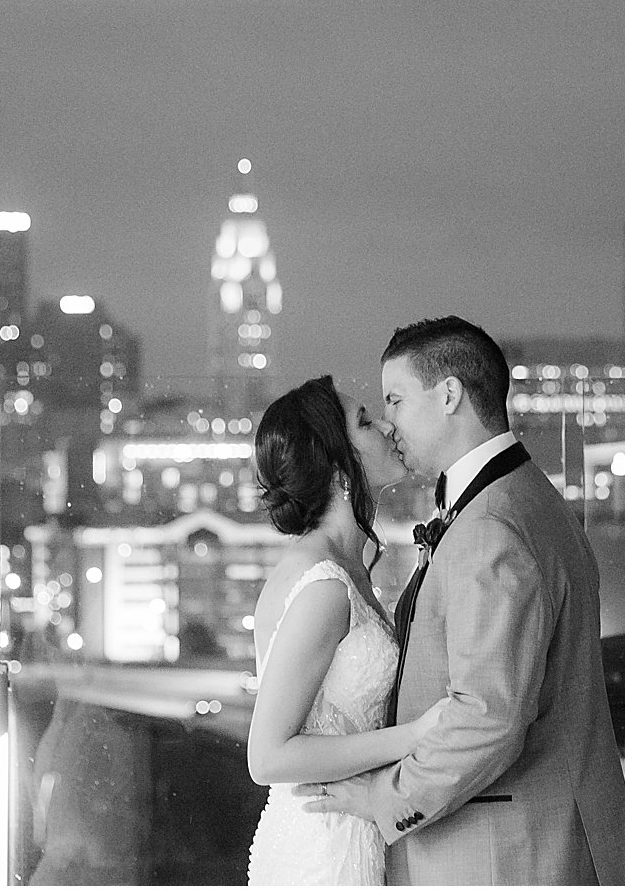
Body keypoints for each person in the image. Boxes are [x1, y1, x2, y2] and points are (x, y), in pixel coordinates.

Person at [295, 316, 625, 885]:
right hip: (528, 841)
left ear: (450, 395)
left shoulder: (491, 528)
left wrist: (386, 797)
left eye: (396, 399)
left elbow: (487, 715)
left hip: (506, 857)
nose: (389, 423)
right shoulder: (522, 499)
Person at [246, 375, 450, 885]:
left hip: (352, 831)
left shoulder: (345, 567)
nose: (385, 424)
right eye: (364, 421)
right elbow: (267, 756)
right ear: (339, 465)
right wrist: (413, 737)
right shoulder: (324, 586)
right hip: (322, 849)